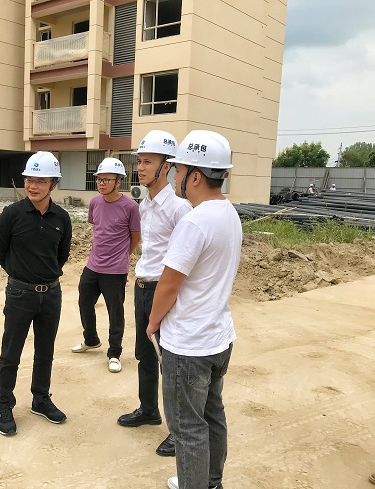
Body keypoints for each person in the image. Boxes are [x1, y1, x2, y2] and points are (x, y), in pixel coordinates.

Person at [146, 130, 241, 489]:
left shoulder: (194, 221)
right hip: (218, 338)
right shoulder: (228, 213)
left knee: (187, 427)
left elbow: (169, 284)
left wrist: (152, 322)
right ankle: (211, 482)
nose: (175, 176)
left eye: (179, 170)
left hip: (189, 345)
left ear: (196, 176)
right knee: (212, 414)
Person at [117, 130, 192, 460]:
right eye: (139, 162)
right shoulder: (144, 204)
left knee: (170, 363)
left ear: (167, 166)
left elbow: (184, 263)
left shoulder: (180, 210)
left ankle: (180, 431)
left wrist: (167, 296)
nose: (141, 168)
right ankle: (148, 409)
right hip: (143, 288)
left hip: (164, 292)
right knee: (145, 355)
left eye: (148, 162)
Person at [0, 151, 72, 436]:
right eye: (29, 180)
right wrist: (21, 275)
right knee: (10, 353)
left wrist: (45, 276)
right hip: (19, 294)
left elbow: (62, 254)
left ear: (53, 184)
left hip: (51, 295)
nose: (33, 186)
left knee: (45, 351)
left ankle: (40, 399)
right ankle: (4, 404)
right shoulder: (11, 214)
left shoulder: (62, 218)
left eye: (41, 181)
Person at [70, 157, 141, 373]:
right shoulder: (95, 203)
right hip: (93, 266)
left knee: (115, 313)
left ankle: (114, 353)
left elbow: (136, 236)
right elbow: (98, 230)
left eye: (106, 179)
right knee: (84, 302)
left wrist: (123, 256)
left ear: (119, 182)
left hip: (115, 271)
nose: (101, 183)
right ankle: (91, 339)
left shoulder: (130, 207)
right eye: (99, 179)